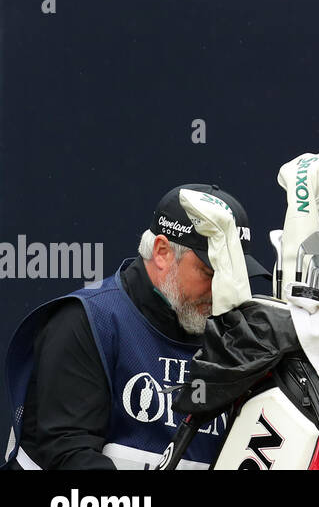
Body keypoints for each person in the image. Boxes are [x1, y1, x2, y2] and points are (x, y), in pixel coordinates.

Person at [4, 183, 269, 469]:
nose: (221, 290)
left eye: (233, 276)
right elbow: (67, 454)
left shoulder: (233, 335)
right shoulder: (89, 320)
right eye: (209, 272)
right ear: (162, 252)